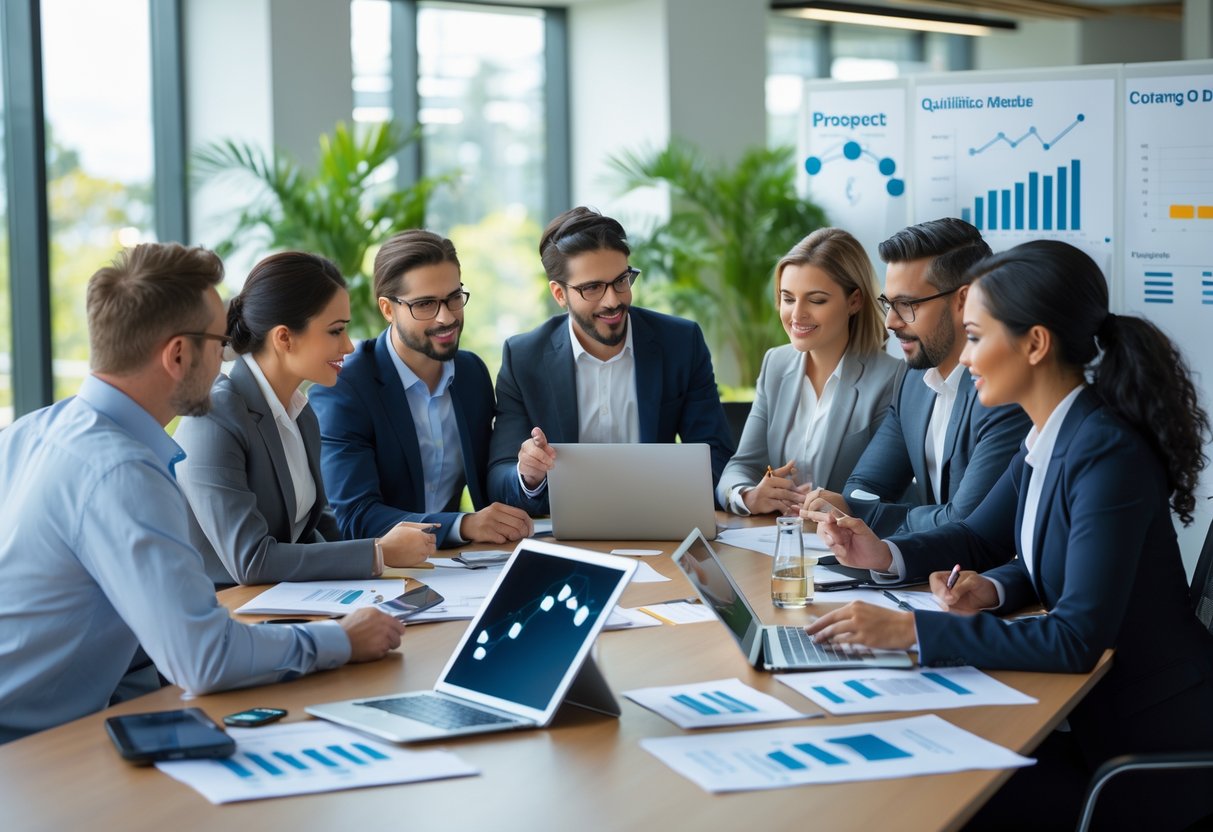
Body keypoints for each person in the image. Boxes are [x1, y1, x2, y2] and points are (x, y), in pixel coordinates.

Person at [805, 240, 1213, 829]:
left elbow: (1076, 639)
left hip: (1142, 750)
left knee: (932, 797)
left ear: (1035, 344)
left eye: (975, 337)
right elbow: (982, 541)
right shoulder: (1052, 435)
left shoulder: (1105, 453)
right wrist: (892, 556)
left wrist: (909, 629)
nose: (965, 361)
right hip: (1093, 723)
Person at [0, 243, 406, 744]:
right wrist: (341, 640)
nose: (226, 359)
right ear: (177, 355)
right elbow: (204, 658)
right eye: (219, 344)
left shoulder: (30, 431)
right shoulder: (125, 471)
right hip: (26, 755)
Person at [175, 252, 437, 586]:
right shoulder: (215, 419)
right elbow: (252, 561)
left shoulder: (302, 413)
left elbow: (314, 529)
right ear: (284, 337)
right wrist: (378, 553)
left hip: (284, 603)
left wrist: (381, 570)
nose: (349, 345)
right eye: (335, 331)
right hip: (223, 613)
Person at [802, 218, 1031, 581]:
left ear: (964, 300)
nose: (891, 321)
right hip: (925, 582)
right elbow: (863, 486)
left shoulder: (1003, 393)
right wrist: (858, 507)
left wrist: (864, 514)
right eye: (888, 304)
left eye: (907, 304)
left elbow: (964, 522)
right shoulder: (913, 379)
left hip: (990, 594)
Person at [487, 206, 735, 515]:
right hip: (565, 535)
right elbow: (498, 478)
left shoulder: (680, 343)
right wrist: (528, 475)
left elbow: (717, 458)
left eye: (621, 280)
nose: (613, 300)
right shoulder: (524, 358)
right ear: (560, 294)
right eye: (592, 288)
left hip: (658, 522)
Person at [310, 230, 532, 547]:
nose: (446, 317)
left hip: (459, 566)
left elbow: (489, 485)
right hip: (370, 571)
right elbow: (357, 518)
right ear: (388, 309)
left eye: (454, 298)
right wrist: (463, 525)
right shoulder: (345, 385)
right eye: (425, 304)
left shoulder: (471, 373)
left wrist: (527, 475)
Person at [716, 228, 904, 516]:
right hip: (773, 538)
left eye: (816, 300)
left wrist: (841, 506)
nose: (797, 315)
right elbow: (741, 465)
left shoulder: (892, 378)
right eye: (788, 298)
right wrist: (749, 495)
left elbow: (886, 491)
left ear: (854, 301)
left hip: (844, 547)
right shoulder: (775, 364)